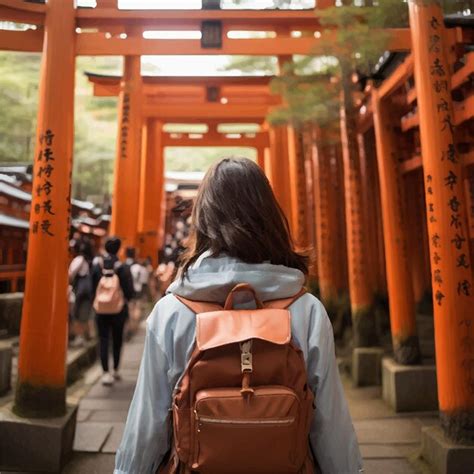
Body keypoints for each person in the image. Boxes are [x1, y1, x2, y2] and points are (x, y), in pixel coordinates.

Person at [114, 158, 362, 474]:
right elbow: (329, 417)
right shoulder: (306, 310)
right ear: (270, 217)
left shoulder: (172, 311)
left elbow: (148, 420)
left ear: (203, 219)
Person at [92, 236, 135, 386]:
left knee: (103, 339)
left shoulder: (97, 266)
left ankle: (105, 373)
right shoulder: (122, 267)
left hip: (100, 310)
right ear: (119, 249)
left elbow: (92, 287)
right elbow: (129, 291)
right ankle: (115, 369)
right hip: (118, 310)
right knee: (117, 340)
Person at [68, 239, 94, 347]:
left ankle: (79, 337)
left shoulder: (79, 259)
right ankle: (86, 336)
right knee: (84, 313)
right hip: (87, 291)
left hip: (80, 291)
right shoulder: (89, 260)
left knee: (77, 313)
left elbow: (70, 274)